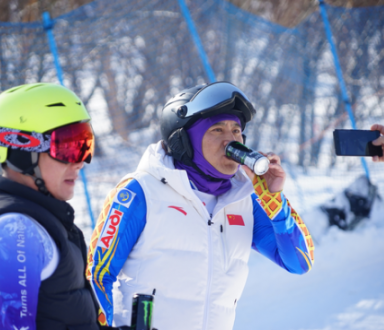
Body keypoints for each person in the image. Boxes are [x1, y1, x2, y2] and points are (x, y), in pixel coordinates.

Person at [87, 81, 315, 330]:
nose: (231, 142)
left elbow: (299, 262)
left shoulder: (245, 200)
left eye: (236, 131)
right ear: (185, 140)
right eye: (217, 130)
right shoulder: (139, 191)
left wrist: (274, 201)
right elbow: (96, 276)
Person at [0, 83, 100, 330]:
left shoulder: (35, 216)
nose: (81, 161)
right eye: (67, 147)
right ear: (21, 150)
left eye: (84, 143)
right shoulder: (13, 230)